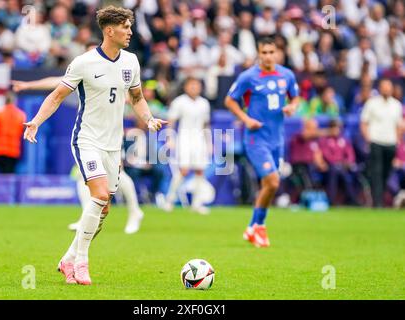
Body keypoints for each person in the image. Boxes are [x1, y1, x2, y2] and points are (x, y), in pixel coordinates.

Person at [22, 6, 167, 285]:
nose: (130, 32)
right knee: (99, 196)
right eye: (125, 27)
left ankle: (68, 258)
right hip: (87, 139)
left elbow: (136, 98)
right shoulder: (84, 63)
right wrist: (36, 122)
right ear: (109, 30)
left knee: (104, 208)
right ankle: (82, 263)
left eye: (130, 26)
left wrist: (148, 119)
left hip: (114, 145)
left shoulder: (131, 62)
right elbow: (56, 96)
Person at [12, 42, 145, 235]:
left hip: (111, 134)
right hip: (90, 134)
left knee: (119, 175)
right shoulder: (84, 68)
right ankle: (87, 217)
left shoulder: (120, 69)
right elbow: (56, 83)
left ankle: (135, 211)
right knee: (81, 176)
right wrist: (28, 85)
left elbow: (131, 96)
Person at [225, 36, 300, 248]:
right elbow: (229, 100)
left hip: (277, 139)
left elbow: (295, 97)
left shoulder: (287, 75)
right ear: (259, 53)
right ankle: (260, 226)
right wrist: (246, 119)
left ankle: (252, 227)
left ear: (276, 52)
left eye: (271, 52)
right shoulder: (249, 77)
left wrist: (292, 106)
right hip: (256, 139)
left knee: (269, 185)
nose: (268, 56)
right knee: (273, 181)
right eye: (264, 52)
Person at [162, 77, 213, 215]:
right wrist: (170, 138)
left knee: (200, 171)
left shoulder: (204, 103)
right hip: (184, 138)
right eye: (191, 86)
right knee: (183, 170)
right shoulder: (179, 102)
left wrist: (209, 143)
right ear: (186, 87)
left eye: (196, 85)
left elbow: (205, 124)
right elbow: (171, 121)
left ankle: (197, 203)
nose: (194, 88)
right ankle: (169, 200)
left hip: (199, 139)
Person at [360, 78, 403, 207]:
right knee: (376, 172)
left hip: (391, 143)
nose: (386, 90)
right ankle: (377, 202)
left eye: (388, 87)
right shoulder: (372, 103)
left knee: (387, 172)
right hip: (376, 141)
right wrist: (368, 138)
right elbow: (364, 122)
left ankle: (381, 198)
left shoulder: (396, 105)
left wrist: (398, 140)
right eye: (384, 87)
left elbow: (398, 125)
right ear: (380, 88)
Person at [0, 92, 26, 173]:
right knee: (9, 175)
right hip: (13, 151)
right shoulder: (21, 115)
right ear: (15, 101)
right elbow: (22, 132)